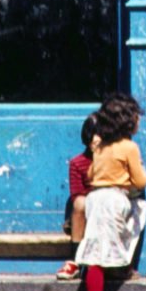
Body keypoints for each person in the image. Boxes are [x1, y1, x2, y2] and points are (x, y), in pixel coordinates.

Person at [73, 93, 146, 291]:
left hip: (96, 199)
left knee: (96, 254)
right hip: (114, 200)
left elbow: (91, 176)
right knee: (99, 257)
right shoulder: (129, 147)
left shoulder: (101, 147)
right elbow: (140, 180)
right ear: (128, 121)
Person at [55, 112, 98, 281]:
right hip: (88, 206)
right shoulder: (77, 163)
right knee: (79, 203)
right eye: (92, 136)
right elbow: (76, 194)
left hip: (108, 206)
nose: (96, 141)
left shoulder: (113, 159)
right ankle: (75, 260)